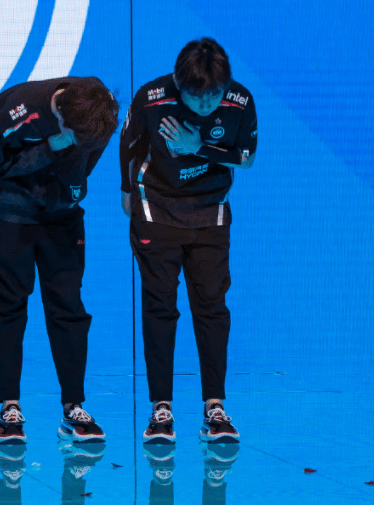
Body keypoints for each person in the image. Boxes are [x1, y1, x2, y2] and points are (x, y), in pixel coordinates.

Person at [119, 37, 257, 445]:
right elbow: (129, 143)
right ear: (180, 84)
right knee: (159, 306)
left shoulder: (239, 101)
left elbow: (247, 157)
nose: (206, 104)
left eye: (214, 94)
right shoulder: (152, 97)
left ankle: (215, 407)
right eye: (197, 97)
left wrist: (201, 148)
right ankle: (161, 408)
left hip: (209, 211)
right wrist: (126, 190)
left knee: (211, 306)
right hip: (156, 207)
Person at [0, 76, 119, 444]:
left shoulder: (101, 114)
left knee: (68, 307)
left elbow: (88, 160)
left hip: (63, 215)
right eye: (74, 135)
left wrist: (68, 180)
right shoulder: (15, 109)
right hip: (9, 212)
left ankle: (73, 405)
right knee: (7, 305)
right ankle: (9, 405)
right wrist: (50, 148)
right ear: (60, 116)